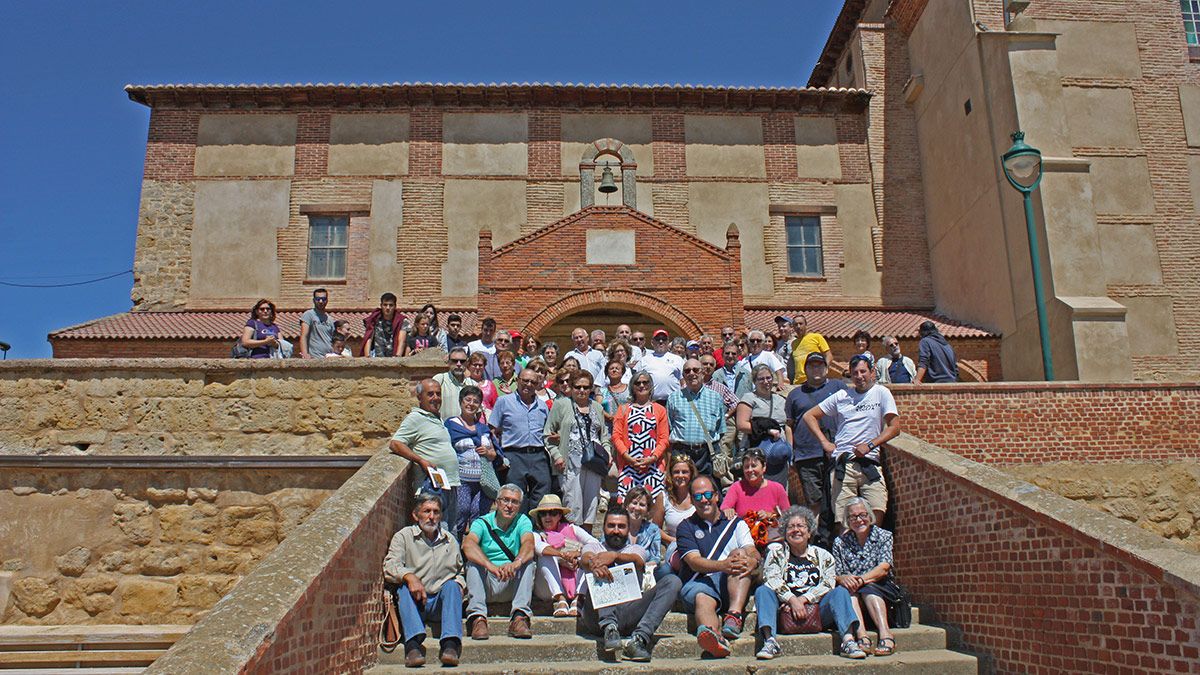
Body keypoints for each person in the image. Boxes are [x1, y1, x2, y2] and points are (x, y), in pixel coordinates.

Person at [754, 505, 866, 660]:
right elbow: (772, 579)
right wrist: (792, 600)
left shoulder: (823, 556)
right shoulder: (776, 554)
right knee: (762, 591)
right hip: (784, 611)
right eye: (790, 527)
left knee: (840, 592)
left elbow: (828, 583)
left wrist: (803, 600)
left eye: (801, 526)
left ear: (809, 532)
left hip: (817, 611)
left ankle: (848, 641)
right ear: (785, 533)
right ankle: (770, 641)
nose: (796, 530)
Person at [803, 355, 901, 528]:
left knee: (877, 509)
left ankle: (873, 551)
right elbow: (809, 415)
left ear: (872, 373)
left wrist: (870, 445)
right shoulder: (842, 395)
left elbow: (894, 427)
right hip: (844, 462)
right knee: (844, 518)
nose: (859, 376)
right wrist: (825, 442)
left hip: (869, 463)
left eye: (863, 371)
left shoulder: (881, 392)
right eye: (855, 373)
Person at [576, 507, 682, 663]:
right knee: (602, 569)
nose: (616, 530)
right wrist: (595, 563)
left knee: (673, 581)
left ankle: (639, 638)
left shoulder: (636, 548)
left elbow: (638, 560)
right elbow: (586, 558)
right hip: (597, 617)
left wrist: (615, 556)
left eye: (621, 526)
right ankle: (610, 628)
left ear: (628, 529)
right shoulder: (594, 546)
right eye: (611, 525)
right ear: (604, 527)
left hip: (630, 612)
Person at [676, 475, 759, 658]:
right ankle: (713, 636)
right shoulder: (686, 527)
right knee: (702, 598)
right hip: (699, 582)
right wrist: (723, 565)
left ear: (716, 496)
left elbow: (752, 551)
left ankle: (734, 615)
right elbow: (694, 562)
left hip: (733, 581)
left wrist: (753, 561)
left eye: (707, 494)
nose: (703, 500)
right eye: (697, 496)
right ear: (691, 500)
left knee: (739, 554)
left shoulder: (736, 523)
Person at [383, 492, 465, 667]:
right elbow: (390, 565)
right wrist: (409, 576)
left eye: (436, 512)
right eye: (427, 511)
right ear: (415, 515)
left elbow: (460, 572)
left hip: (440, 603)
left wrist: (460, 585)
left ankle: (450, 645)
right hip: (415, 602)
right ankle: (413, 646)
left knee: (452, 585)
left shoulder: (450, 540)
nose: (431, 516)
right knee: (403, 588)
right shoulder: (404, 536)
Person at [785, 352, 847, 546]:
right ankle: (817, 542)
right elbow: (789, 424)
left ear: (826, 368)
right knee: (814, 501)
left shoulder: (838, 387)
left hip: (835, 452)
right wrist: (791, 451)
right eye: (812, 365)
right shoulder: (795, 394)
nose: (816, 369)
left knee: (838, 499)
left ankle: (840, 543)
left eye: (820, 365)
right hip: (806, 454)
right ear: (805, 370)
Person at [461, 484, 536, 640]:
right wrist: (491, 566)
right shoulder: (482, 522)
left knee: (528, 562)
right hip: (487, 581)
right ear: (496, 502)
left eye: (514, 502)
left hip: (511, 580)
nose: (509, 506)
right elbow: (468, 545)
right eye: (505, 500)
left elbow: (529, 544)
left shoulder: (523, 521)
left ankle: (519, 617)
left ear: (519, 506)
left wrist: (516, 563)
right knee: (473, 564)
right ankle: (478, 618)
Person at [389, 379, 462, 531]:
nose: (435, 398)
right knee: (436, 531)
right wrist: (420, 460)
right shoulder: (415, 418)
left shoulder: (437, 418)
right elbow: (396, 443)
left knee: (450, 531)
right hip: (432, 487)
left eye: (438, 394)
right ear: (419, 397)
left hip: (449, 484)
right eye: (430, 394)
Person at [834, 497, 901, 657]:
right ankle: (862, 636)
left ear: (870, 516)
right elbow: (837, 573)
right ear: (847, 521)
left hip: (880, 587)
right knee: (847, 593)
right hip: (853, 589)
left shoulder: (884, 536)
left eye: (862, 515)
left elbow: (884, 568)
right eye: (853, 517)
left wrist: (862, 580)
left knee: (868, 590)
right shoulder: (840, 542)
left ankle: (886, 634)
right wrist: (843, 579)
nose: (859, 520)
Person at [544, 371, 610, 530]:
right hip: (570, 464)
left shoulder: (597, 407)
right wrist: (557, 456)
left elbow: (604, 436)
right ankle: (572, 542)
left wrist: (607, 453)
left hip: (594, 463)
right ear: (571, 387)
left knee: (591, 506)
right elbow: (547, 434)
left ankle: (586, 543)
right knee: (573, 504)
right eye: (578, 386)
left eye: (586, 387)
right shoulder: (561, 405)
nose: (582, 390)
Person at [490, 369, 554, 514]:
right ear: (518, 380)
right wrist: (497, 455)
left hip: (538, 455)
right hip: (513, 455)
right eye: (525, 380)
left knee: (542, 494)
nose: (528, 384)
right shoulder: (504, 402)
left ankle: (535, 531)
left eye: (532, 382)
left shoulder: (543, 406)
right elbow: (492, 430)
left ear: (537, 384)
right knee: (515, 496)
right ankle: (518, 530)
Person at [445, 385, 501, 538]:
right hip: (461, 480)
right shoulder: (451, 425)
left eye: (475, 401)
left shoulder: (483, 429)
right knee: (461, 512)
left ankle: (475, 551)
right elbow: (444, 449)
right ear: (460, 402)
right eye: (467, 400)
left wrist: (488, 452)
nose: (471, 404)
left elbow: (495, 454)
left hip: (483, 483)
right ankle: (456, 549)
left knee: (479, 515)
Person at [529, 494, 598, 617]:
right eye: (543, 514)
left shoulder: (572, 529)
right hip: (547, 588)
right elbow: (540, 548)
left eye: (553, 513)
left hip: (576, 579)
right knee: (546, 556)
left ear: (560, 515)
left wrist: (577, 554)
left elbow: (595, 543)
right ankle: (560, 600)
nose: (547, 517)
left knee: (587, 556)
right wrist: (563, 556)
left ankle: (578, 599)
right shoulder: (537, 534)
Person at [611, 372, 668, 517]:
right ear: (632, 386)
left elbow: (663, 438)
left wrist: (653, 458)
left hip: (652, 466)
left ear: (650, 385)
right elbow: (616, 436)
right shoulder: (623, 409)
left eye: (645, 382)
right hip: (629, 466)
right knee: (628, 505)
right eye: (638, 383)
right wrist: (627, 457)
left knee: (653, 507)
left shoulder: (660, 410)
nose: (642, 385)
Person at [665, 358, 726, 477]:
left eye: (695, 370)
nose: (691, 373)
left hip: (707, 454)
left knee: (708, 492)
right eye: (687, 371)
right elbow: (670, 428)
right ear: (683, 375)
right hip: (681, 454)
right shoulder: (673, 398)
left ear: (702, 373)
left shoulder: (716, 397)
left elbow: (721, 430)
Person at [735, 364, 790, 485]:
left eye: (768, 378)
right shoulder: (749, 398)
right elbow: (742, 425)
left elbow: (787, 426)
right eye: (761, 379)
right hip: (757, 452)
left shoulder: (781, 400)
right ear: (754, 381)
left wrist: (790, 449)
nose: (766, 381)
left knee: (779, 489)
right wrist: (767, 431)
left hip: (779, 453)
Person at [721, 447, 790, 526]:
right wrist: (728, 511)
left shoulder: (777, 488)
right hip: (744, 535)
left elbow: (788, 518)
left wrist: (769, 516)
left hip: (771, 535)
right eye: (746, 467)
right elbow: (724, 509)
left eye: (754, 466)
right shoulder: (736, 487)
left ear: (764, 467)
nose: (750, 470)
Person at [733, 330, 787, 396]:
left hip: (765, 392)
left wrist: (780, 384)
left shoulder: (768, 355)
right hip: (750, 394)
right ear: (749, 342)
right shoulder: (745, 360)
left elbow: (778, 371)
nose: (755, 343)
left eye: (758, 340)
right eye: (752, 341)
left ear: (763, 342)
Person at [622, 486, 663, 573]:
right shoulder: (617, 526)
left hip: (644, 572)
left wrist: (641, 567)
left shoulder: (653, 530)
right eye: (634, 503)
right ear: (626, 505)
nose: (637, 508)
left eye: (642, 505)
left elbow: (656, 558)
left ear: (647, 509)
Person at [660, 455, 696, 548]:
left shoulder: (699, 495)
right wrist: (675, 541)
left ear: (691, 474)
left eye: (685, 472)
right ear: (671, 475)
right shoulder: (663, 497)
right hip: (674, 546)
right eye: (676, 472)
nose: (680, 475)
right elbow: (654, 528)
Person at [638, 330, 683, 403]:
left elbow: (683, 381)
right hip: (652, 401)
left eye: (664, 339)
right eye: (658, 339)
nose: (661, 341)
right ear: (652, 342)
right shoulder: (644, 360)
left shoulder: (678, 359)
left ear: (668, 342)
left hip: (674, 401)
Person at [433, 348, 477, 421]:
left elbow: (478, 412)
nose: (459, 364)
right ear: (449, 362)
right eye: (455, 361)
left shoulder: (473, 384)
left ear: (466, 363)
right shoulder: (440, 380)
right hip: (445, 429)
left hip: (466, 430)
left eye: (462, 361)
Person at [790, 315, 834, 385]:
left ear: (806, 325)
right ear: (793, 327)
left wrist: (823, 371)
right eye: (796, 324)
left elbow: (829, 355)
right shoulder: (793, 343)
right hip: (798, 382)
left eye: (801, 324)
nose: (798, 326)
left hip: (814, 380)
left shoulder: (816, 337)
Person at [362, 293, 403, 357]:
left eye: (391, 305)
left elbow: (402, 341)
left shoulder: (402, 321)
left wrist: (398, 357)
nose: (388, 308)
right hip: (377, 359)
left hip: (394, 358)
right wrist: (367, 356)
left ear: (395, 306)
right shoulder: (374, 319)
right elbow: (369, 337)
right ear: (381, 305)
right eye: (385, 305)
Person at [298, 288, 336, 359]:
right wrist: (305, 354)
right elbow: (303, 336)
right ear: (314, 300)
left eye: (323, 299)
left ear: (327, 301)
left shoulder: (330, 319)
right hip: (314, 358)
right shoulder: (308, 315)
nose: (321, 301)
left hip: (328, 358)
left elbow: (333, 339)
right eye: (318, 299)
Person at [598, 359, 630, 428]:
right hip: (608, 427)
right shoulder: (601, 390)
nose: (614, 370)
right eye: (611, 368)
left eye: (617, 368)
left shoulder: (630, 389)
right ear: (607, 373)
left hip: (627, 426)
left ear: (622, 372)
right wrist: (610, 417)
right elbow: (598, 407)